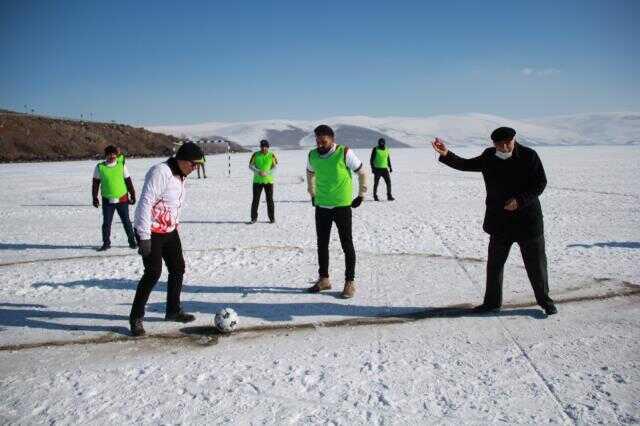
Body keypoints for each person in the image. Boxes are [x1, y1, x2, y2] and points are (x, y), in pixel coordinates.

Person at [431, 127, 557, 316]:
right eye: (500, 144)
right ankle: (491, 303)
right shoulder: (489, 156)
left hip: (528, 222)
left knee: (536, 266)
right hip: (500, 223)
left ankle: (545, 301)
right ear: (493, 144)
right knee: (495, 265)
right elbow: (466, 164)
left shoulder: (529, 156)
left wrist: (520, 201)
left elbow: (540, 183)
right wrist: (447, 154)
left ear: (514, 139)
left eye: (508, 142)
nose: (505, 147)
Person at [128, 142, 205, 336]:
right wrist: (144, 236)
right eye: (193, 164)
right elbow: (145, 202)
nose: (195, 168)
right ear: (181, 160)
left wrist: (174, 225)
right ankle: (136, 317)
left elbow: (172, 204)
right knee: (153, 273)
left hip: (169, 231)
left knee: (178, 268)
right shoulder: (161, 172)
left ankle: (172, 310)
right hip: (151, 231)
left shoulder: (181, 175)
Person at [306, 124, 367, 298]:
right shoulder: (313, 155)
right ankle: (324, 279)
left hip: (342, 206)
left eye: (323, 141)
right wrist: (312, 193)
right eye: (317, 141)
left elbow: (362, 172)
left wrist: (361, 194)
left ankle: (350, 282)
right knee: (322, 244)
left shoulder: (344, 152)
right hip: (322, 206)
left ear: (332, 139)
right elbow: (310, 173)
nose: (320, 145)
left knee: (346, 244)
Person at [92, 145, 137, 251]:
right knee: (106, 223)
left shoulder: (121, 165)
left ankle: (132, 242)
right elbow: (95, 184)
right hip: (107, 200)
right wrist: (95, 197)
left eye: (113, 154)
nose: (112, 156)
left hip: (122, 199)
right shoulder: (100, 167)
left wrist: (133, 194)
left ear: (116, 155)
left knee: (126, 221)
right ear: (106, 155)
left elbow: (128, 181)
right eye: (109, 154)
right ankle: (106, 243)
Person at [249, 139, 277, 223]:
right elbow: (250, 165)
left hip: (268, 181)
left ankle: (272, 218)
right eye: (262, 146)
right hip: (257, 181)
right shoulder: (255, 154)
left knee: (270, 200)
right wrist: (258, 171)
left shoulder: (271, 155)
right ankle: (254, 218)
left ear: (268, 147)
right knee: (255, 200)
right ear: (260, 147)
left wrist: (267, 173)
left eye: (265, 147)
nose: (264, 148)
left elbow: (275, 167)